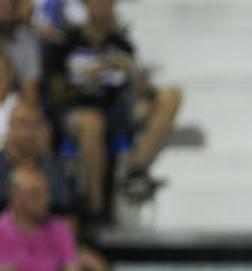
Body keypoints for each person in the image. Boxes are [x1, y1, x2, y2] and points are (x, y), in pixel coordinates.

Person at [44, 0, 183, 215]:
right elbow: (54, 93)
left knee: (171, 96)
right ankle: (95, 207)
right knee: (92, 122)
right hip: (75, 111)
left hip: (115, 110)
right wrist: (84, 82)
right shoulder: (66, 42)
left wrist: (132, 75)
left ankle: (134, 171)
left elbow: (145, 94)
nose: (104, 6)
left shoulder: (121, 44)